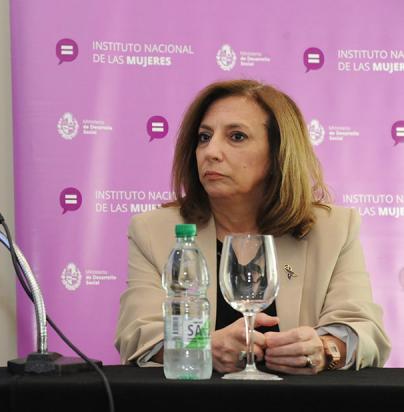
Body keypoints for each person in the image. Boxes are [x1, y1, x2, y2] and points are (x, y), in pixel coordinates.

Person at [115, 79, 390, 374]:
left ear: (277, 154)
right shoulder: (155, 231)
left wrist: (323, 349)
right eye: (204, 137)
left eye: (236, 136)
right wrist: (203, 347)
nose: (211, 152)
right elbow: (138, 336)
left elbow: (365, 330)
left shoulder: (333, 228)